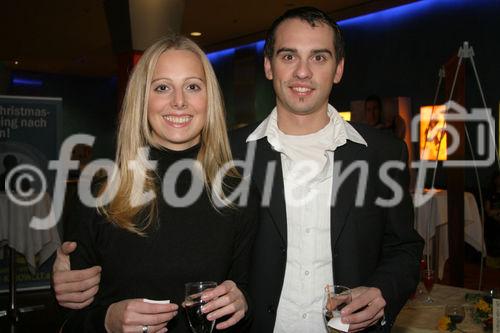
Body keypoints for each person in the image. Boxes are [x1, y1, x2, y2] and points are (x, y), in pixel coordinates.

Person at [53, 7, 423, 333]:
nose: (303, 72)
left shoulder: (382, 153)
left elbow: (404, 248)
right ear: (268, 65)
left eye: (320, 58)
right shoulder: (229, 156)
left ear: (338, 69)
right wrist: (68, 282)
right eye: (288, 55)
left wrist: (382, 292)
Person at [57, 35, 258, 333]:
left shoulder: (238, 191)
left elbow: (249, 297)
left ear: (209, 99)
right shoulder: (97, 190)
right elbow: (68, 319)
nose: (179, 101)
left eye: (192, 86)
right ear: (142, 99)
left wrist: (242, 303)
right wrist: (107, 321)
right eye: (162, 87)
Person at [484, 171, 500, 268]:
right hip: (492, 228)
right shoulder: (490, 194)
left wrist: (495, 212)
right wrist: (495, 214)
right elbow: (488, 211)